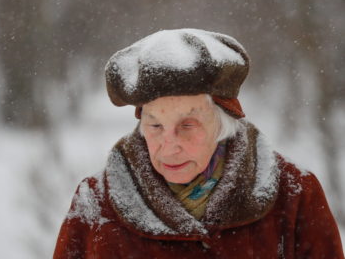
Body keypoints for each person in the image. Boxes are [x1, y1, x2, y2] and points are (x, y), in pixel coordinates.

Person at [53, 28, 344, 258]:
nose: (169, 145)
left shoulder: (293, 194)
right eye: (155, 125)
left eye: (187, 126)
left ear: (224, 126)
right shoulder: (97, 201)